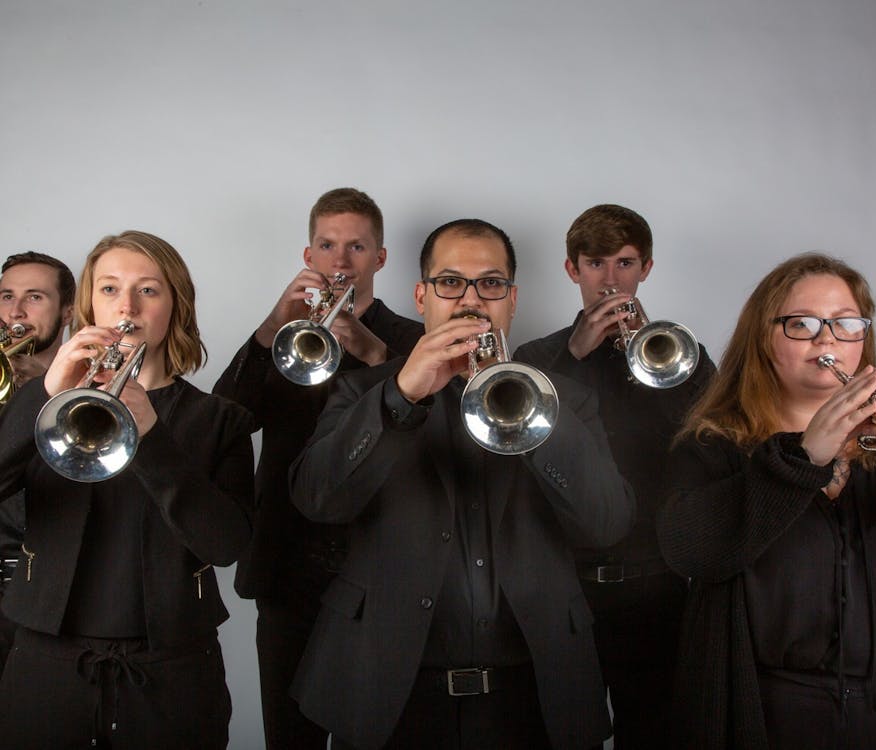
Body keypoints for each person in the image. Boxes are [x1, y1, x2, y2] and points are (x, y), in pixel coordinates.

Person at [289, 218, 635, 749]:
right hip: (389, 693)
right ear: (422, 296)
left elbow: (607, 522)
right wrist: (400, 397)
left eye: (491, 284)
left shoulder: (567, 399)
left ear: (512, 300)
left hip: (535, 695)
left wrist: (533, 414)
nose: (471, 300)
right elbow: (317, 499)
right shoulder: (363, 391)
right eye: (451, 282)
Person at [657, 252, 876, 749]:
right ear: (763, 338)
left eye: (846, 324)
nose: (827, 341)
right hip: (769, 715)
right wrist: (804, 457)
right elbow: (692, 553)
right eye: (802, 324)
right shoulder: (715, 447)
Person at [0, 231, 254, 749]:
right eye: (110, 289)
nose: (128, 307)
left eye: (149, 290)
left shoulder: (218, 419)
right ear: (89, 303)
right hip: (44, 661)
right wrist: (48, 393)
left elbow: (227, 545)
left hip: (173, 670)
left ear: (174, 306)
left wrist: (153, 436)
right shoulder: (40, 402)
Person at [213, 187, 423, 749]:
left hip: (375, 568)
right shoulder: (282, 338)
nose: (340, 261)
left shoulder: (411, 341)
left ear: (380, 259)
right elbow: (227, 419)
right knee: (289, 736)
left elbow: (430, 428)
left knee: (371, 735)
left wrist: (372, 351)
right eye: (327, 245)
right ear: (308, 257)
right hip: (286, 565)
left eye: (357, 247)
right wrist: (270, 326)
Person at [515, 204, 715, 746]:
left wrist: (658, 365)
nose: (610, 281)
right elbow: (520, 460)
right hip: (564, 589)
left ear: (646, 269)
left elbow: (713, 453)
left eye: (624, 264)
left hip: (656, 588)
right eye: (596, 263)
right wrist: (574, 358)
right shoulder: (535, 358)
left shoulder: (680, 356)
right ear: (571, 269)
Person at [0, 251, 76, 672]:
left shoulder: (92, 389)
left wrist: (39, 395)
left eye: (34, 297)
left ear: (67, 311)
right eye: (6, 295)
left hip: (52, 592)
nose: (15, 311)